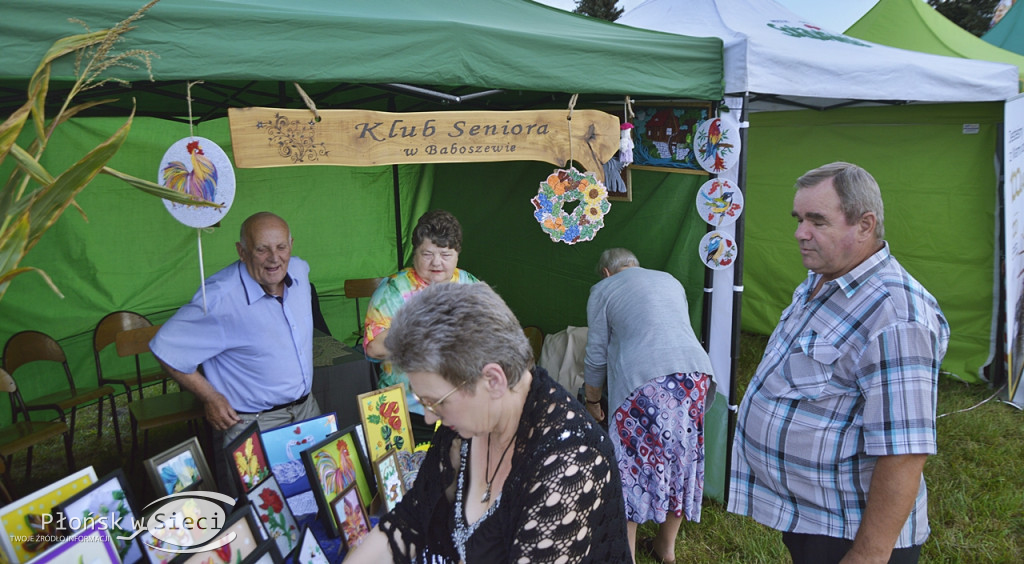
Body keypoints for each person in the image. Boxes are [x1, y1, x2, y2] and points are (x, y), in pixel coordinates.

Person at [728, 162, 950, 564]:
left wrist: (868, 554)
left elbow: (904, 452)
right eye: (798, 219)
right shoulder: (823, 277)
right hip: (813, 520)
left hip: (849, 535)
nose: (800, 232)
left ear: (865, 225)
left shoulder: (897, 316)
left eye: (817, 220)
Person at [344, 283, 631, 563]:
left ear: (493, 380)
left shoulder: (572, 460)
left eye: (437, 402)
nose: (430, 417)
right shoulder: (466, 427)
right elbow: (409, 522)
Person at [582, 248, 716, 564]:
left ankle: (624, 557)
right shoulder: (669, 280)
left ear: (605, 272)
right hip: (694, 376)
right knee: (680, 460)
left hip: (646, 383)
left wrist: (591, 400)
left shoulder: (603, 289)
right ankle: (664, 549)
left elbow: (597, 352)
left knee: (629, 468)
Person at [150, 211, 319, 446]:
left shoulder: (299, 271)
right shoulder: (219, 299)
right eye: (262, 249)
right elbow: (165, 347)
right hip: (257, 424)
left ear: (291, 245)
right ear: (242, 251)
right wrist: (210, 396)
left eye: (281, 247)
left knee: (317, 481)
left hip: (307, 411)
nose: (274, 258)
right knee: (263, 485)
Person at [363, 209, 478, 443]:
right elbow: (373, 347)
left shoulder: (470, 285)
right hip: (406, 412)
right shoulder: (394, 290)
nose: (436, 262)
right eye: (427, 254)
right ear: (415, 252)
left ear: (457, 254)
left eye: (445, 254)